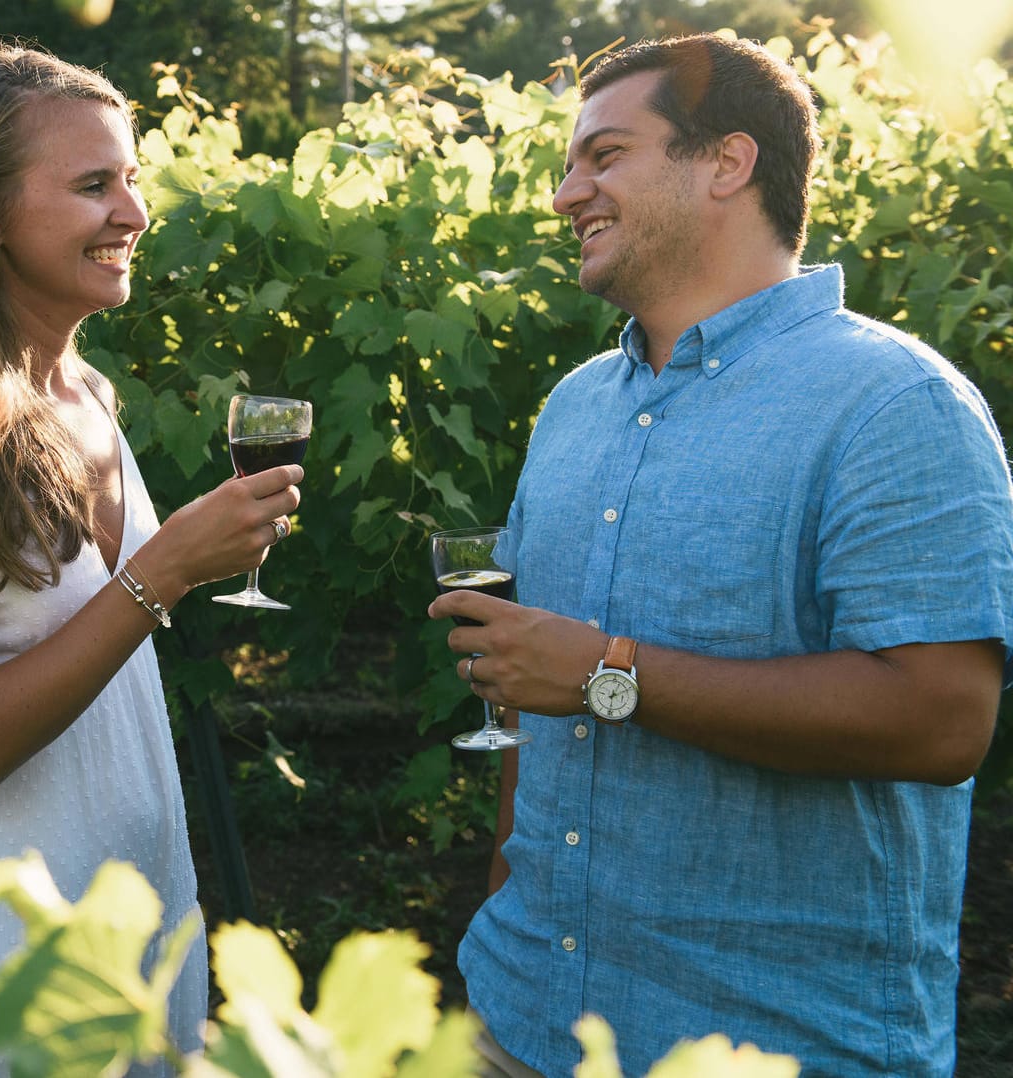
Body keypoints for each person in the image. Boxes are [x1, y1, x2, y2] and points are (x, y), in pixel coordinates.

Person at [426, 33, 1013, 1078]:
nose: (567, 194)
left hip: (769, 1045)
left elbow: (942, 721)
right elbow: (530, 691)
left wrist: (612, 674)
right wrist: (506, 906)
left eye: (602, 156)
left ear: (726, 164)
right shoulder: (572, 408)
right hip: (519, 1018)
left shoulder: (896, 405)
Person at [0, 46, 302, 1076]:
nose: (133, 210)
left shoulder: (86, 394)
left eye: (132, 177)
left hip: (137, 922)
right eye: (94, 185)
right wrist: (164, 571)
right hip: (9, 974)